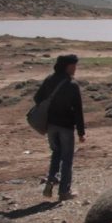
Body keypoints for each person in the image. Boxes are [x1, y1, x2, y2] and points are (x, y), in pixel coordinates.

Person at [34, 54, 86, 200]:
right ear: (68, 66)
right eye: (74, 65)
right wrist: (81, 132)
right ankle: (64, 192)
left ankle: (51, 180)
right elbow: (78, 110)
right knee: (67, 158)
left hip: (51, 125)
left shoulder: (50, 79)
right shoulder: (72, 84)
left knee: (56, 153)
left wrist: (51, 106)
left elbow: (37, 98)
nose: (76, 69)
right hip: (66, 127)